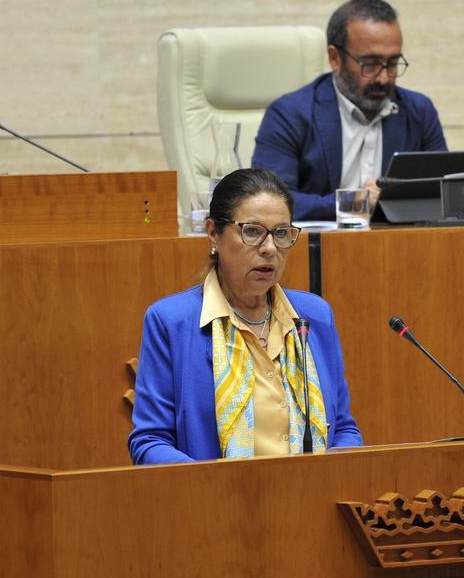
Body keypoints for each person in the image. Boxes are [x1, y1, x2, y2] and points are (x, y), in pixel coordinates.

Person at [129, 168, 363, 465]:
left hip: (311, 501)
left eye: (280, 233)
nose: (269, 249)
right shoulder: (171, 322)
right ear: (213, 232)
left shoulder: (313, 316)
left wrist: (335, 468)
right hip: (216, 504)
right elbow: (150, 442)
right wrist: (212, 486)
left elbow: (343, 428)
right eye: (252, 231)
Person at [252, 0, 447, 220]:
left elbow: (443, 192)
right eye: (370, 64)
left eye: (392, 63)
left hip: (398, 246)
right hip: (321, 249)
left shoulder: (419, 112)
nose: (384, 78)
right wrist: (353, 203)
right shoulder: (289, 114)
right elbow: (269, 202)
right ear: (335, 58)